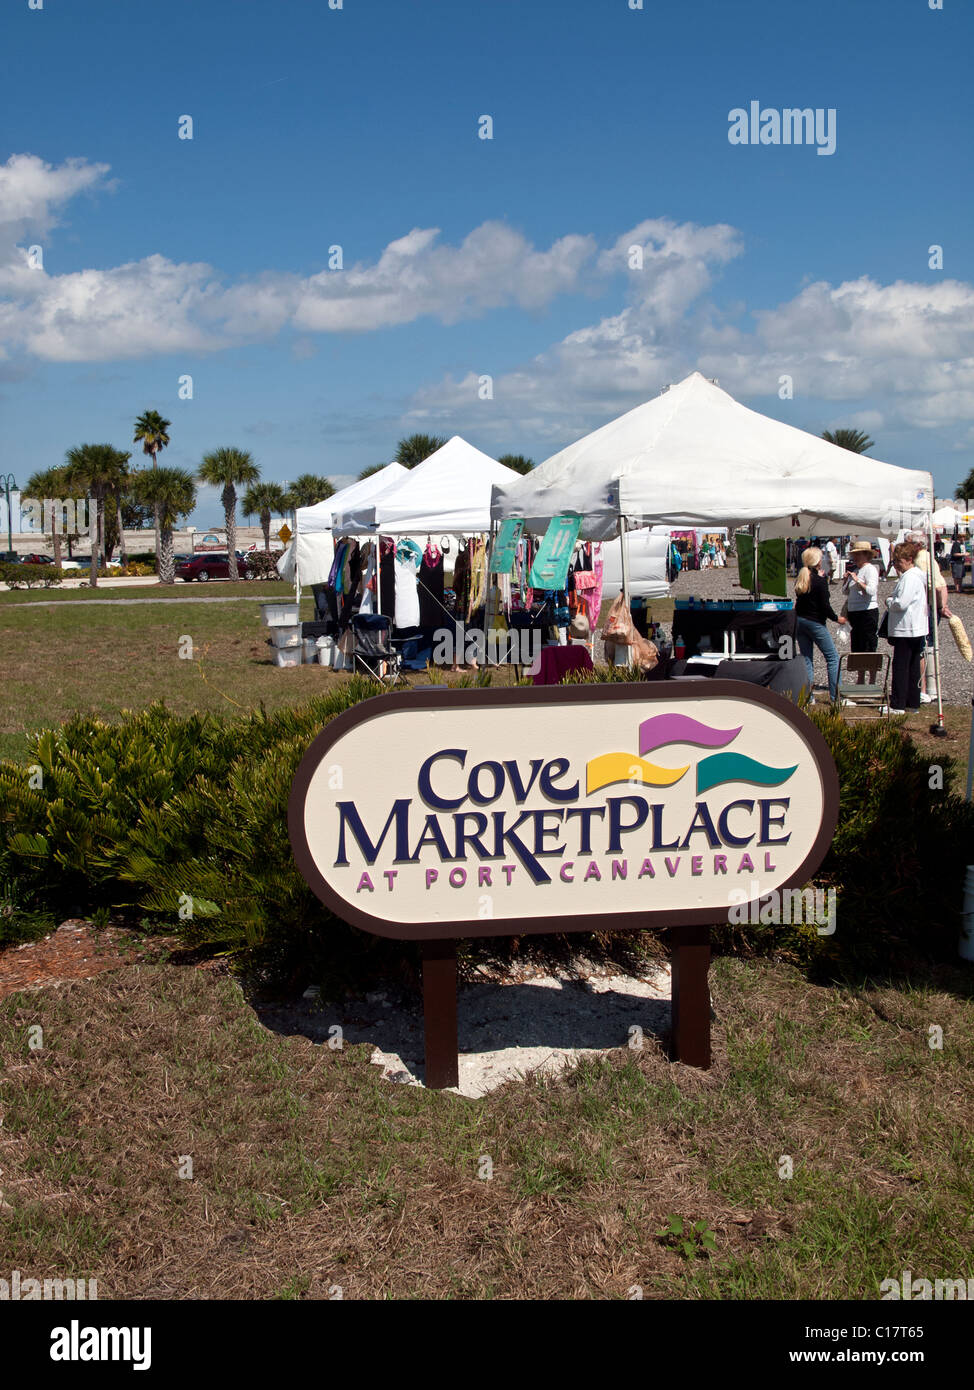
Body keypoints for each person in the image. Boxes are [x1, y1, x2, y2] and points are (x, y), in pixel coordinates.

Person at [885, 541, 928, 713]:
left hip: (906, 628)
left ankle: (898, 703)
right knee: (912, 667)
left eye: (898, 561)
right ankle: (912, 702)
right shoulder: (916, 576)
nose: (896, 564)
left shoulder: (910, 577)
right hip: (915, 627)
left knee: (901, 667)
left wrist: (889, 601)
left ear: (909, 559)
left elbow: (901, 603)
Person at [794, 546, 840, 703]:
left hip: (800, 621)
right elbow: (825, 606)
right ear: (818, 562)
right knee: (833, 657)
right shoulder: (820, 582)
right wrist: (836, 618)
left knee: (807, 659)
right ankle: (836, 696)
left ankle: (808, 697)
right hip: (815, 622)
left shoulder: (802, 579)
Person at [839, 541, 880, 651]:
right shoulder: (857, 570)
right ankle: (860, 668)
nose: (855, 557)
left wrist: (857, 581)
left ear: (866, 555)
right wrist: (846, 580)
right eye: (854, 554)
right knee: (857, 644)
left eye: (858, 554)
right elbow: (845, 592)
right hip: (854, 612)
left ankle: (871, 667)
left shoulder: (870, 569)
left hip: (866, 612)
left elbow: (871, 590)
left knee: (867, 643)